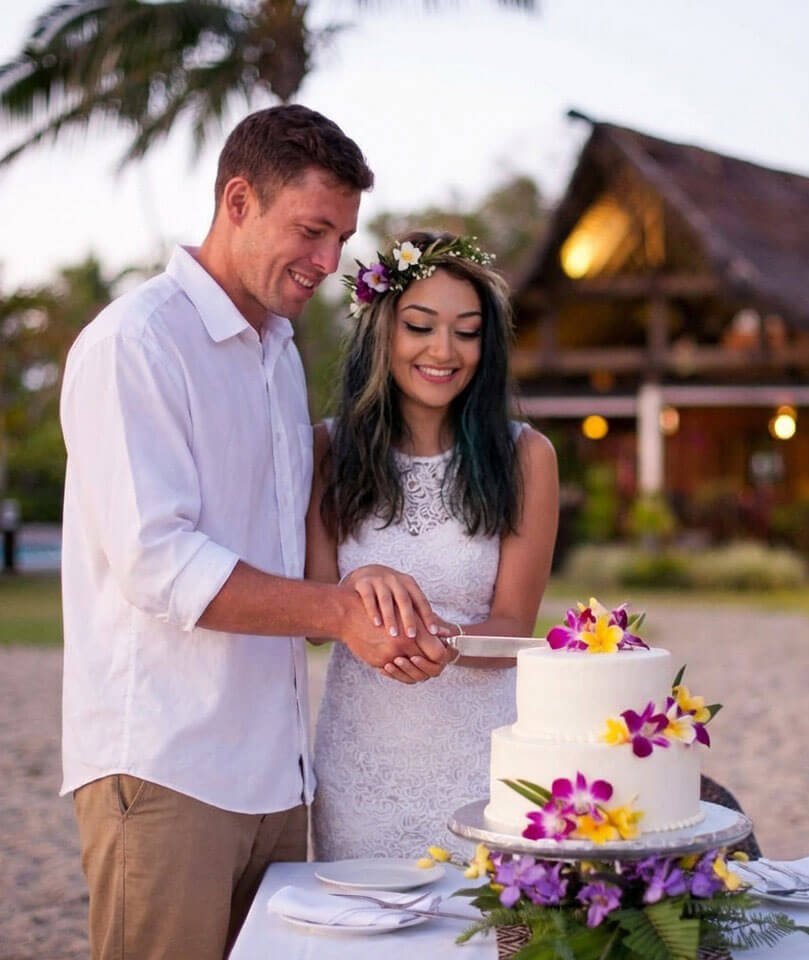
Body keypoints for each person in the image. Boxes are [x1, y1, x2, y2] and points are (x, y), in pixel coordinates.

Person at [59, 106, 453, 960]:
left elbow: (288, 543)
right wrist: (340, 612)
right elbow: (159, 563)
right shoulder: (136, 343)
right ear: (238, 199)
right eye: (311, 231)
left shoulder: (277, 353)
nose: (327, 263)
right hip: (167, 771)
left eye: (340, 238)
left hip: (279, 782)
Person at [307, 231, 559, 859]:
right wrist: (356, 592)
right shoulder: (326, 450)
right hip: (361, 761)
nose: (444, 350)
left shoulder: (527, 456)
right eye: (420, 326)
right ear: (381, 331)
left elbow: (514, 629)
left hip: (481, 757)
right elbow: (314, 617)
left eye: (467, 331)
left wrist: (444, 643)